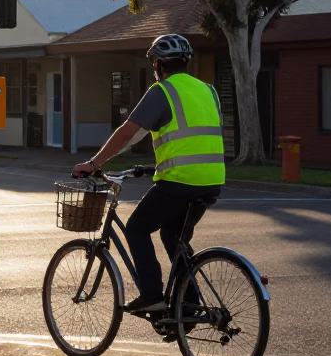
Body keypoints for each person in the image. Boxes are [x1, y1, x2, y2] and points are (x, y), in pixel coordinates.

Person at [73, 34, 225, 314]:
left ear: (157, 65)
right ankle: (188, 307)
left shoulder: (163, 91)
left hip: (179, 181)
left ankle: (152, 295)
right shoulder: (209, 91)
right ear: (185, 63)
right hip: (213, 180)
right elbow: (196, 139)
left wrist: (94, 164)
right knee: (173, 237)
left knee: (137, 228)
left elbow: (128, 133)